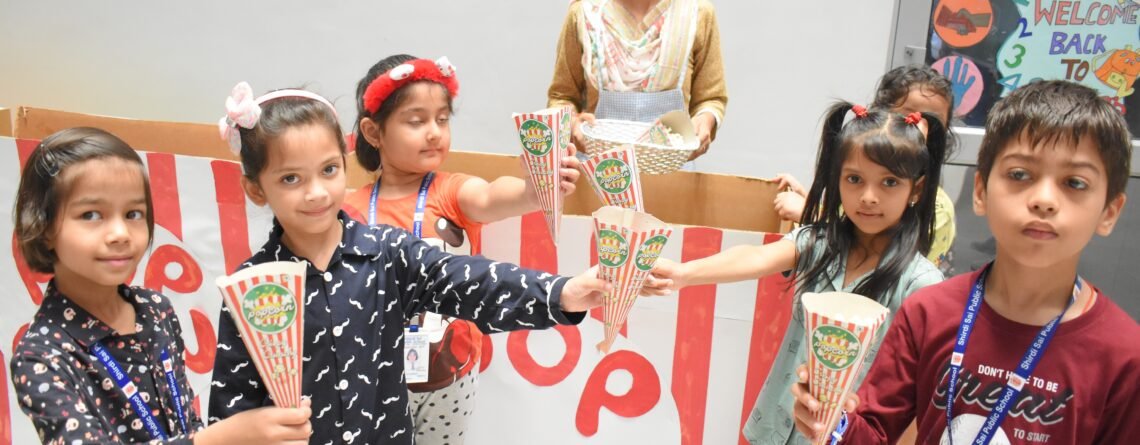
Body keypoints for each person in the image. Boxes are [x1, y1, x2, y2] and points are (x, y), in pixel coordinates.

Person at [207, 83, 610, 445]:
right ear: (256, 189)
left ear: (344, 164)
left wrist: (562, 293)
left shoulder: (388, 252)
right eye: (290, 179)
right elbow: (230, 412)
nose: (316, 193)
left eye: (328, 170)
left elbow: (472, 281)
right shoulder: (254, 289)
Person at [792, 80, 1140, 444]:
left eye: (1075, 183)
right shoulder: (927, 313)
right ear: (980, 192)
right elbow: (872, 434)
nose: (1044, 199)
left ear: (1109, 211)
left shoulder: (1124, 357)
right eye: (1020, 175)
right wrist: (832, 422)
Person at [644, 104, 947, 444]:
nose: (868, 197)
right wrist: (683, 273)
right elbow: (757, 257)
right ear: (837, 178)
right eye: (854, 179)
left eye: (890, 182)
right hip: (776, 428)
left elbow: (923, 395)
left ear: (916, 190)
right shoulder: (820, 242)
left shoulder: (921, 285)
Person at [9, 127, 312, 444]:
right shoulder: (41, 355)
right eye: (91, 214)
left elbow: (186, 422)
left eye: (133, 213)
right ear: (43, 226)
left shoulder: (155, 309)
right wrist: (222, 438)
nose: (120, 233)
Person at [343, 54, 582, 444]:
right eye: (416, 121)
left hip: (451, 378)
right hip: (375, 377)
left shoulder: (451, 191)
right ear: (373, 132)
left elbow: (491, 196)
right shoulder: (349, 211)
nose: (434, 133)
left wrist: (533, 189)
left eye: (442, 119)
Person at [775, 65, 958, 271]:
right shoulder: (859, 181)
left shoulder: (939, 210)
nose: (921, 129)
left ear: (917, 190)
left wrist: (808, 215)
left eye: (890, 182)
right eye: (909, 119)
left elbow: (886, 261)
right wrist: (811, 203)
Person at [547, 0, 727, 160]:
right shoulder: (585, 15)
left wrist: (705, 119)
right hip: (601, 174)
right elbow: (562, 96)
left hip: (673, 176)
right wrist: (571, 122)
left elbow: (710, 99)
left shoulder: (696, 14)